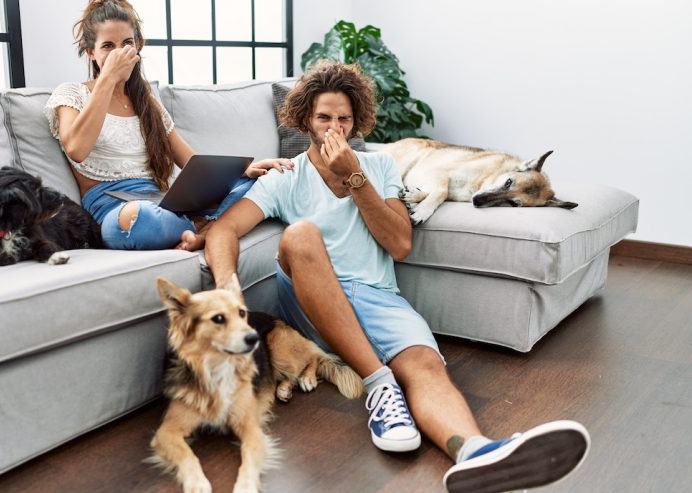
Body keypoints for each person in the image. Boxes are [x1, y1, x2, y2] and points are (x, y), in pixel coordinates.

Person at [204, 60, 591, 493]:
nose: (334, 126)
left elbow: (399, 244)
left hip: (378, 297)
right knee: (300, 236)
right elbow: (223, 229)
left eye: (344, 118)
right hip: (316, 302)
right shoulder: (286, 178)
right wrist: (226, 285)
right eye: (324, 117)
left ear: (357, 121)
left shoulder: (380, 168)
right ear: (304, 120)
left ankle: (475, 453)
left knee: (426, 367)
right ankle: (378, 382)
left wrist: (355, 177)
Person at [44, 0, 291, 251]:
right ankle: (207, 228)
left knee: (262, 183)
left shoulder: (146, 101)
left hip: (163, 202)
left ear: (138, 46)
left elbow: (193, 163)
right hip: (117, 211)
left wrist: (244, 170)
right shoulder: (72, 94)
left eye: (127, 43)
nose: (120, 54)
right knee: (140, 219)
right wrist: (108, 79)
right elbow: (76, 149)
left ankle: (200, 228)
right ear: (90, 52)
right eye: (108, 46)